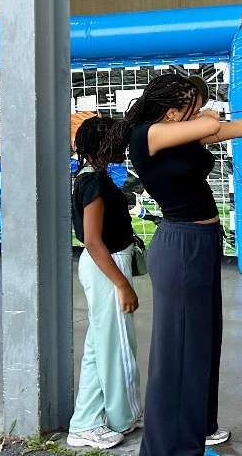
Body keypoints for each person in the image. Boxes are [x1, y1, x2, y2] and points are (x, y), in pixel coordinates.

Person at [102, 72, 242, 456]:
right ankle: (167, 447)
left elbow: (232, 128)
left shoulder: (181, 131)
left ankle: (199, 429)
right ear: (173, 112)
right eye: (192, 104)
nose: (200, 111)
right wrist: (205, 115)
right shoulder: (149, 135)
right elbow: (211, 123)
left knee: (204, 341)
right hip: (181, 246)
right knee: (179, 349)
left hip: (202, 243)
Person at [66, 116, 142, 451]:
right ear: (104, 145)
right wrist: (122, 284)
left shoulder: (89, 177)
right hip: (106, 266)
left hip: (104, 266)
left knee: (101, 346)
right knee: (118, 348)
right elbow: (93, 241)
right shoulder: (93, 183)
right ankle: (120, 417)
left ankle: (85, 422)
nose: (123, 147)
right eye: (118, 141)